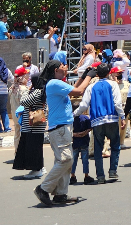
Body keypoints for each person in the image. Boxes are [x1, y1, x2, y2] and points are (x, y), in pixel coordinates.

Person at [33, 59, 92, 206]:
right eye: (62, 66)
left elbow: (73, 91)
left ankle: (60, 194)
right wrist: (90, 76)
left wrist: (83, 77)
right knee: (66, 160)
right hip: (60, 128)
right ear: (55, 70)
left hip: (61, 127)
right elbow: (79, 91)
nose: (65, 68)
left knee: (64, 162)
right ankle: (43, 188)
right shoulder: (54, 83)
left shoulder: (56, 84)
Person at [74, 63, 124, 183]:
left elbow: (84, 105)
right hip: (112, 119)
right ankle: (112, 171)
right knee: (115, 146)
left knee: (98, 148)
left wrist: (74, 114)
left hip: (97, 121)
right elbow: (117, 103)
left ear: (97, 74)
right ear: (108, 73)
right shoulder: (113, 84)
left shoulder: (91, 87)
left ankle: (100, 176)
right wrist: (122, 116)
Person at [14, 68, 48, 179]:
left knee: (33, 148)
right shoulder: (41, 91)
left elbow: (23, 101)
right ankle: (39, 167)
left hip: (33, 126)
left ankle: (37, 169)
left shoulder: (37, 92)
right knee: (35, 147)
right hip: (33, 125)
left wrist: (25, 92)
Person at [69, 106, 92, 186]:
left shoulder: (70, 119)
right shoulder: (85, 118)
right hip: (84, 141)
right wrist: (84, 133)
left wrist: (75, 134)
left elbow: (69, 130)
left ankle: (72, 176)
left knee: (74, 160)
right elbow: (90, 128)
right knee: (85, 160)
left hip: (75, 142)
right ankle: (86, 176)